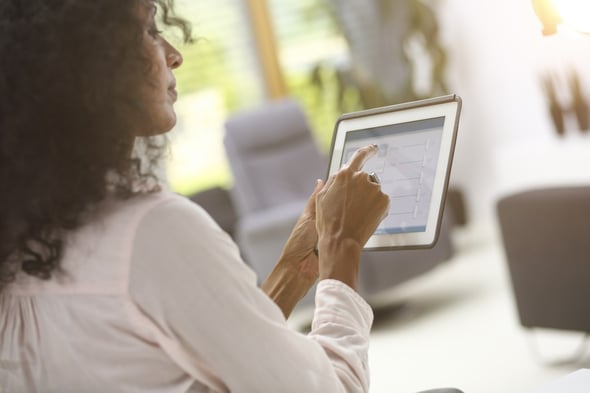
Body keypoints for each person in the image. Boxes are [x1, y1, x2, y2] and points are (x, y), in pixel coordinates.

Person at [0, 1, 389, 392]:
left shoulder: (21, 243)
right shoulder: (153, 231)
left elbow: (212, 363)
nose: (175, 54)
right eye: (150, 30)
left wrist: (293, 269)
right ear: (92, 65)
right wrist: (344, 245)